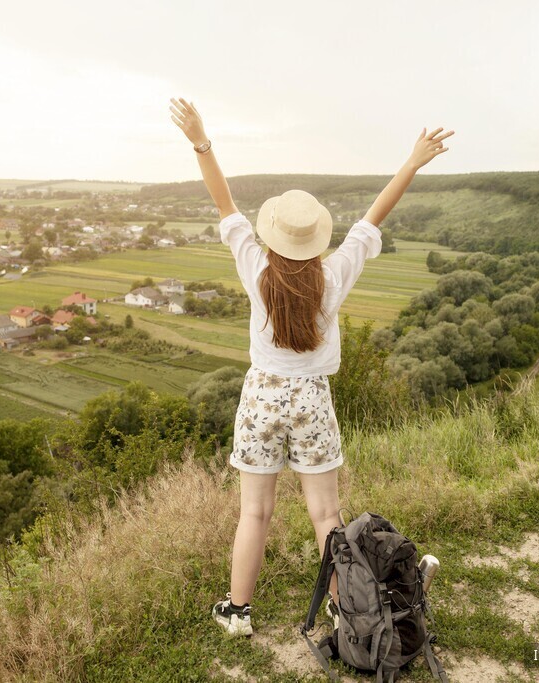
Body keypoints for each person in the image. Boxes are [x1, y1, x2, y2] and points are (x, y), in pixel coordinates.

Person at [169, 97, 452, 637]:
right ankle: (350, 612)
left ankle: (237, 612)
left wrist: (200, 141)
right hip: (312, 399)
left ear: (272, 237)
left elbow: (223, 201)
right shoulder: (335, 274)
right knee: (327, 516)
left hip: (261, 398)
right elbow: (374, 216)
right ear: (316, 238)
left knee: (255, 513)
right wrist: (412, 162)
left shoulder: (255, 268)